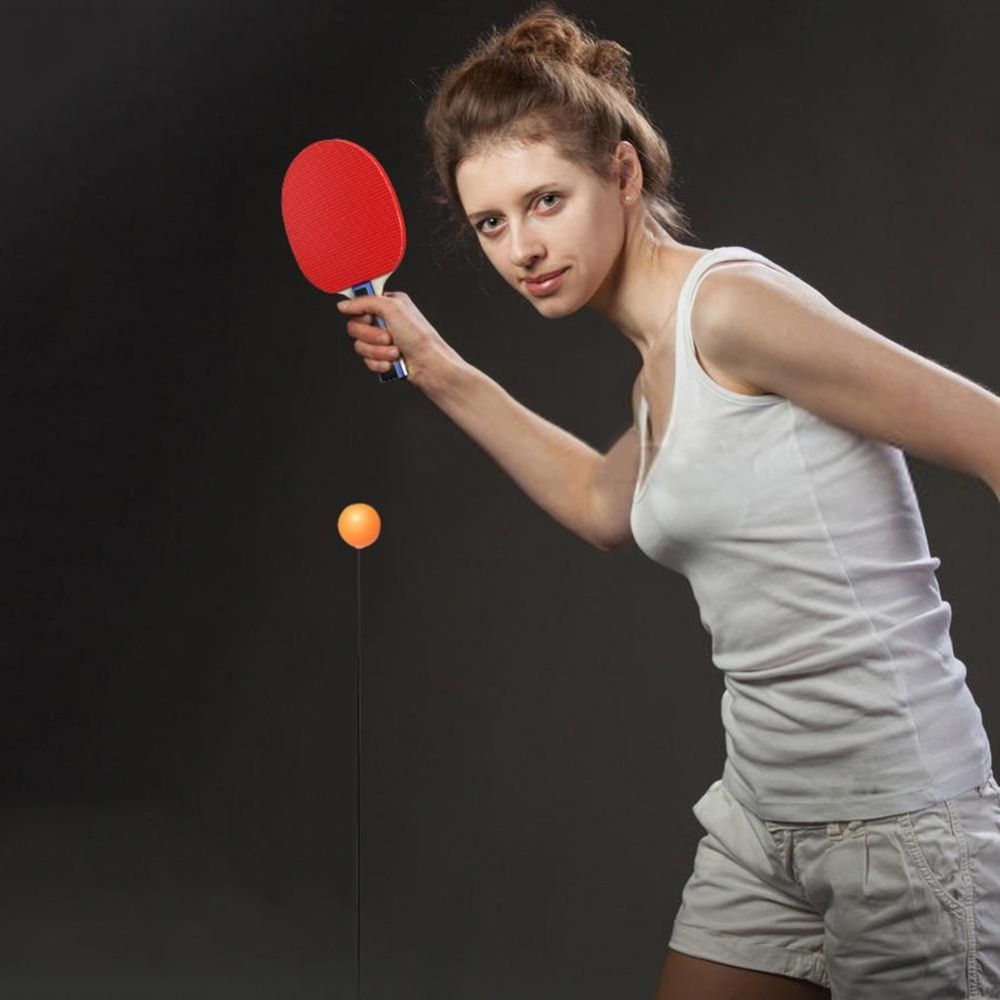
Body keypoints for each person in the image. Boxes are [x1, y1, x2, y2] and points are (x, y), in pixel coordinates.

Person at [336, 3, 1000, 997]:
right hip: (764, 816)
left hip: (899, 822)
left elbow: (990, 435)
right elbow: (601, 503)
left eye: (546, 201)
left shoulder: (728, 310)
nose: (522, 248)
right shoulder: (659, 374)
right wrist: (438, 371)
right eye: (491, 223)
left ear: (623, 173)